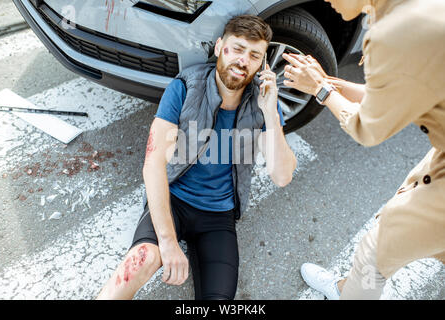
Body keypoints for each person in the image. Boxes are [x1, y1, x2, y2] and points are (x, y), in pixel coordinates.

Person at [97, 15, 297, 300]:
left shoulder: (262, 103)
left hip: (218, 214)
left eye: (254, 55)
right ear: (219, 47)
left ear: (263, 64)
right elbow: (153, 165)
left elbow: (282, 176)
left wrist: (270, 115)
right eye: (237, 49)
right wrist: (167, 243)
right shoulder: (186, 86)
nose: (243, 61)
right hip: (174, 199)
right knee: (142, 260)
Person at [282, 0, 445, 299]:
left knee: (373, 255)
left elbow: (368, 129)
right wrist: (326, 83)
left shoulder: (395, 34)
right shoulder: (419, 10)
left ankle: (349, 294)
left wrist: (322, 89)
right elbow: (394, 96)